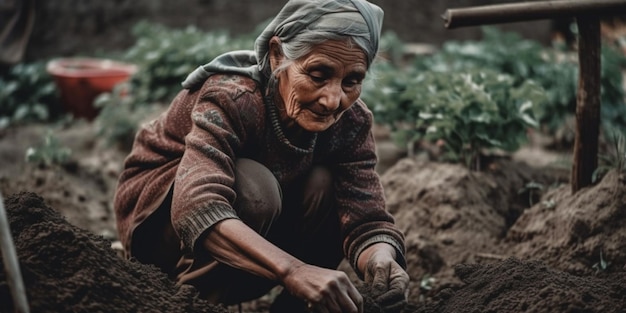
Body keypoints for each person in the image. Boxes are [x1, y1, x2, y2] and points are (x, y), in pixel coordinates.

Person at [113, 0, 409, 312]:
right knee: (255, 187)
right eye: (318, 75)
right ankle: (194, 302)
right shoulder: (232, 97)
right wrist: (294, 270)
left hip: (253, 243)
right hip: (163, 237)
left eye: (351, 81)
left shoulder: (352, 122)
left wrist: (381, 257)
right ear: (278, 54)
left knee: (327, 184)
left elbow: (365, 215)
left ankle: (294, 307)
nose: (333, 100)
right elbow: (196, 206)